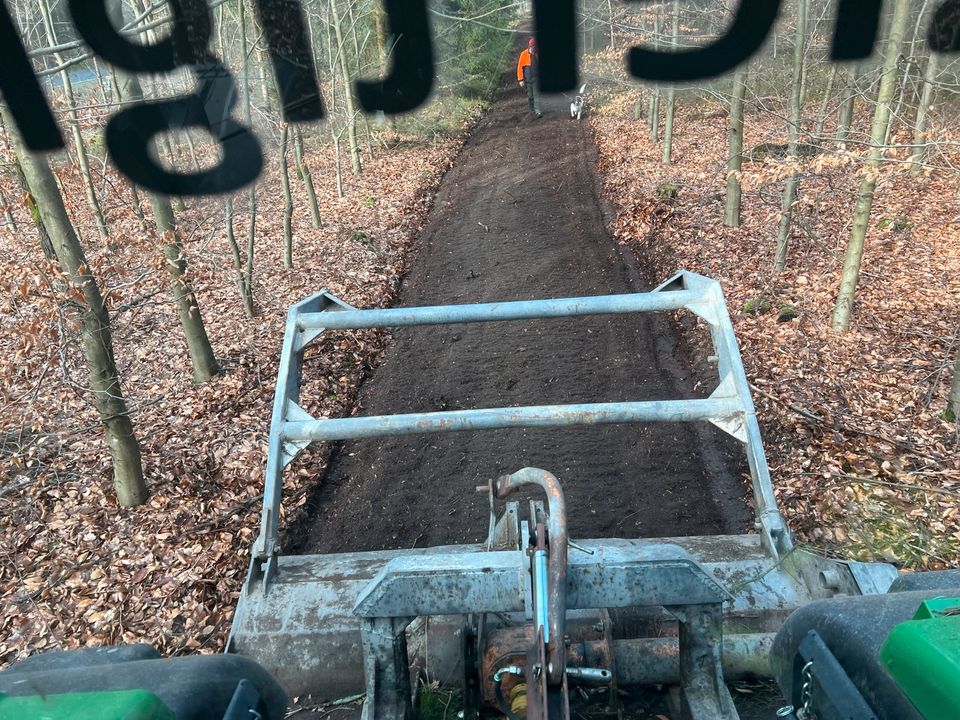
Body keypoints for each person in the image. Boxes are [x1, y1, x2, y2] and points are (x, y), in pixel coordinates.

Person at [517, 37, 542, 119]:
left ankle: (538, 111)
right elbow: (519, 68)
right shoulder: (523, 54)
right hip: (527, 80)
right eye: (533, 47)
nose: (534, 48)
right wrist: (520, 79)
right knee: (530, 96)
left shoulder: (538, 53)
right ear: (530, 46)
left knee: (536, 95)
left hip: (536, 78)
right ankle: (532, 111)